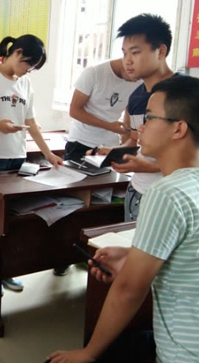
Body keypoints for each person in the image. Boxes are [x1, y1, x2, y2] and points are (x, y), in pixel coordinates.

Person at [46, 76, 199, 363]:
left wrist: (88, 354)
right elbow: (194, 248)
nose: (140, 128)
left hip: (191, 355)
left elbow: (128, 290)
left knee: (93, 351)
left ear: (178, 128)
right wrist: (131, 255)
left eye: (149, 118)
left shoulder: (168, 193)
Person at [0, 34, 63, 293]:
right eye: (29, 64)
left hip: (17, 158)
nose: (29, 71)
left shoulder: (25, 83)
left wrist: (48, 154)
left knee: (10, 222)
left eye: (33, 68)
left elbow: (31, 123)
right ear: (17, 53)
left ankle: (5, 271)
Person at [99, 14, 199, 221]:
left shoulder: (187, 92)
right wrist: (118, 152)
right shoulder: (136, 96)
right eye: (124, 53)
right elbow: (135, 139)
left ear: (161, 51)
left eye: (135, 52)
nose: (127, 60)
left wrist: (152, 167)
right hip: (138, 190)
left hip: (172, 196)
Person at [54, 58, 140, 276]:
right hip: (80, 144)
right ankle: (62, 257)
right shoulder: (94, 73)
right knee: (73, 204)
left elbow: (129, 120)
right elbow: (75, 110)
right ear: (126, 55)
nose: (135, 79)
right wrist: (110, 126)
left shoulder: (138, 79)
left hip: (109, 148)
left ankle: (91, 252)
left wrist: (127, 144)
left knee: (102, 203)